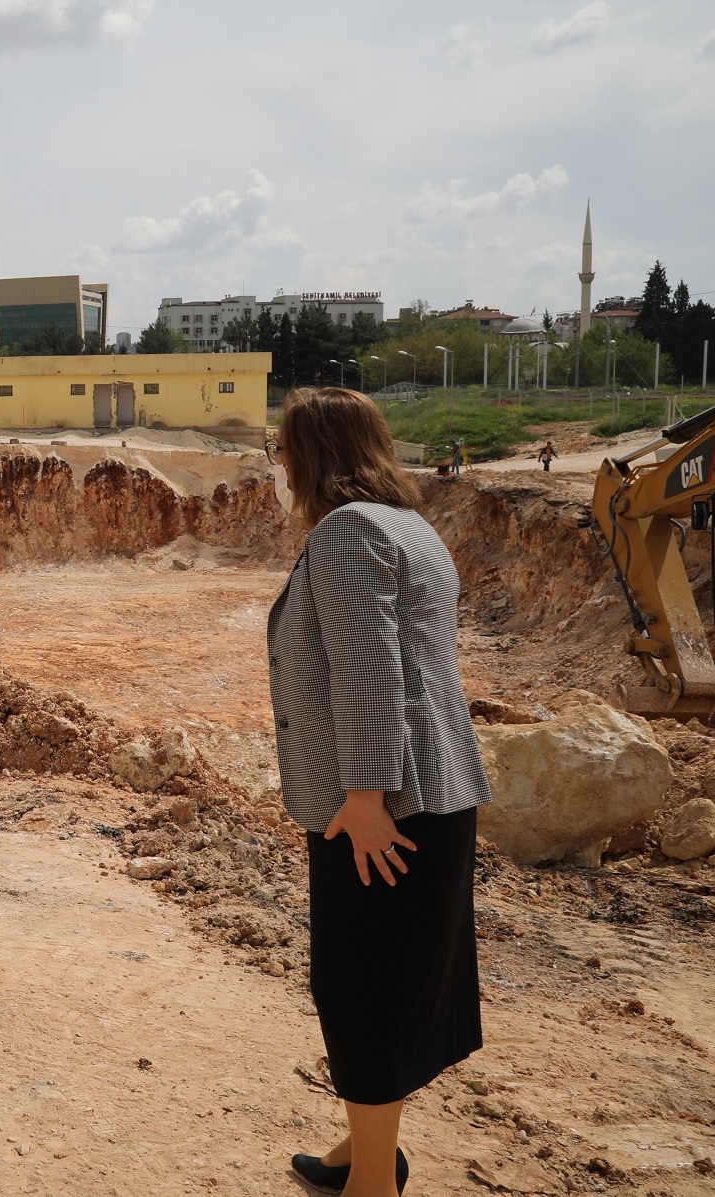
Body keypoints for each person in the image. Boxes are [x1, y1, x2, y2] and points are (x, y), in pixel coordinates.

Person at [266, 388, 491, 1197]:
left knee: (361, 985)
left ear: (312, 456)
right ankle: (367, 1148)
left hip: (383, 804)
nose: (282, 466)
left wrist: (364, 797)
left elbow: (373, 673)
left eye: (285, 450)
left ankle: (372, 1183)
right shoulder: (413, 526)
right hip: (431, 792)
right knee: (391, 979)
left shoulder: (347, 531)